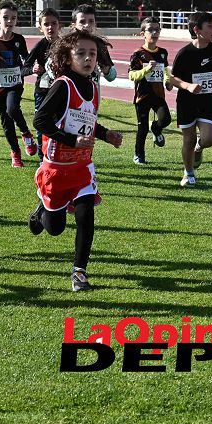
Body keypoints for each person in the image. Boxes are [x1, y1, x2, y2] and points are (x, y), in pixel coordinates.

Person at [28, 29, 122, 291]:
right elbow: (40, 121)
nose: (88, 58)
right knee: (55, 228)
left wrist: (106, 135)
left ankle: (79, 273)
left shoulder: (92, 87)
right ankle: (42, 212)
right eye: (81, 53)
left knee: (86, 216)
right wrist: (69, 140)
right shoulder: (62, 85)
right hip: (56, 169)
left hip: (82, 168)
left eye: (92, 53)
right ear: (68, 58)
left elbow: (87, 123)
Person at [168, 10, 212, 187]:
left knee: (209, 139)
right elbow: (172, 78)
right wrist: (188, 86)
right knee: (189, 139)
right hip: (187, 102)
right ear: (197, 30)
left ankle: (199, 149)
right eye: (210, 26)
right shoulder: (185, 53)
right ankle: (188, 173)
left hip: (207, 102)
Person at [0, 2, 36, 166]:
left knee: (12, 108)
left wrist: (32, 68)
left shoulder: (19, 40)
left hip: (15, 83)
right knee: (6, 121)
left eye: (13, 18)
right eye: (5, 17)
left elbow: (26, 60)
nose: (9, 21)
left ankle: (26, 134)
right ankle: (15, 152)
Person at [128, 17, 171, 165]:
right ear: (143, 34)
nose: (154, 33)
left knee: (166, 119)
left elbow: (165, 70)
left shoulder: (163, 53)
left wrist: (167, 81)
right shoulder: (138, 54)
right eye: (150, 30)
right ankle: (139, 155)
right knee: (142, 128)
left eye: (157, 29)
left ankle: (156, 128)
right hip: (142, 96)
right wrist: (146, 69)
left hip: (158, 95)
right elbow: (131, 75)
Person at [21, 8, 62, 158]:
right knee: (41, 125)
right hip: (43, 92)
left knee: (60, 125)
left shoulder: (66, 45)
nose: (50, 27)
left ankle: (58, 156)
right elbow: (23, 69)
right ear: (40, 27)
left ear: (59, 26)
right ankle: (42, 157)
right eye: (46, 24)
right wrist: (32, 69)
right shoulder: (39, 46)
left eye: (53, 23)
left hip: (61, 93)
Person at [70, 5, 117, 85]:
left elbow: (112, 76)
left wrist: (107, 70)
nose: (87, 25)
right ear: (73, 25)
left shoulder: (100, 45)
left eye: (91, 21)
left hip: (92, 93)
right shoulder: (67, 44)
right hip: (72, 90)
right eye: (82, 22)